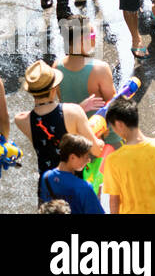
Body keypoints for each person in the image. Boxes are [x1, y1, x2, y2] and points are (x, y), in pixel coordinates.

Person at [14, 61, 102, 200]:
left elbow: (49, 121)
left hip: (48, 190)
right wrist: (99, 140)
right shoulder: (74, 112)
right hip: (74, 189)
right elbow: (96, 150)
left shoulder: (22, 121)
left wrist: (78, 109)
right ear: (54, 89)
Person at [100, 98, 155, 214]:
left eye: (113, 127)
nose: (114, 131)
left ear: (120, 124)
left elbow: (114, 199)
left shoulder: (114, 160)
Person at [38, 134, 104, 214]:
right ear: (72, 157)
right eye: (86, 157)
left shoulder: (46, 177)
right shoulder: (84, 187)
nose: (88, 160)